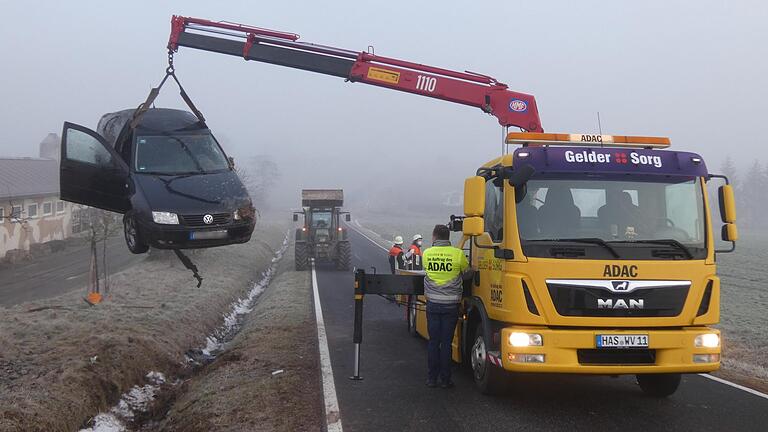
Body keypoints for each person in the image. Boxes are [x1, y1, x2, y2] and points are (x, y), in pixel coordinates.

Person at [422, 224, 472, 389]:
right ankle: (446, 380)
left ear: (434, 236)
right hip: (451, 306)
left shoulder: (427, 253)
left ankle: (431, 379)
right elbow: (468, 273)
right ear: (448, 237)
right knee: (446, 343)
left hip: (433, 305)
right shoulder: (457, 255)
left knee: (433, 343)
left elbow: (426, 271)